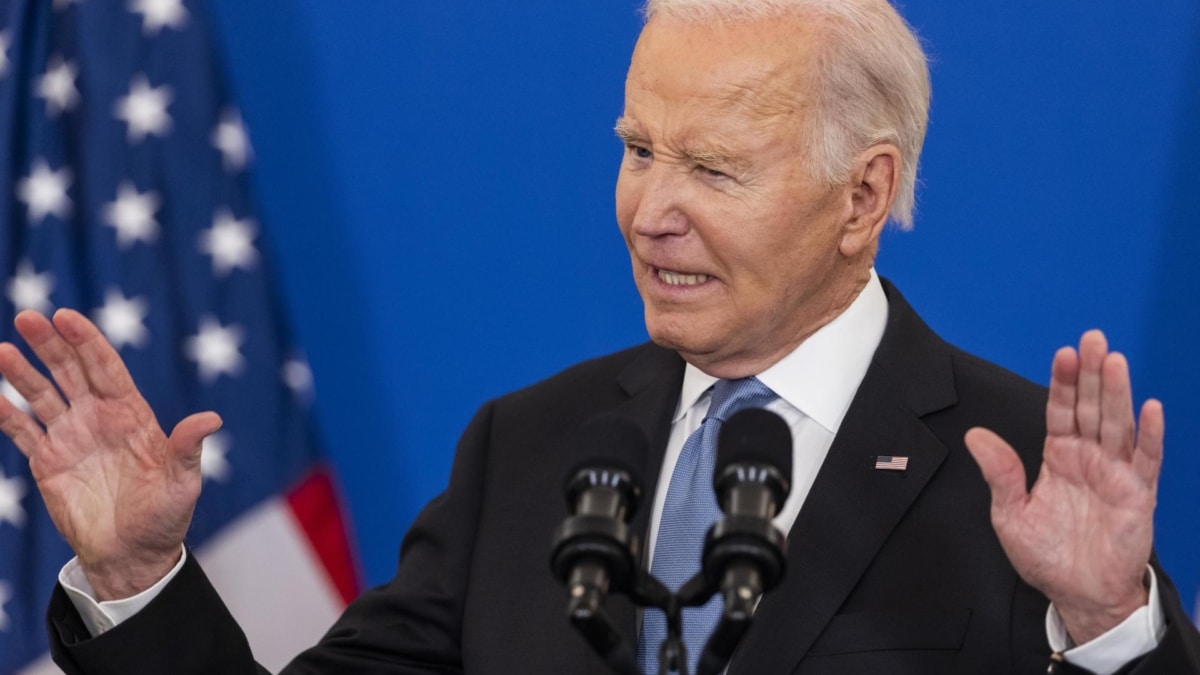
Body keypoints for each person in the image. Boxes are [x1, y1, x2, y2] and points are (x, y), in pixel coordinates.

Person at [4, 0, 1199, 673]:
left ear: (863, 196)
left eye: (713, 168)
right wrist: (136, 576)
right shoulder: (525, 451)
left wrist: (1109, 630)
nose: (648, 211)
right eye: (637, 150)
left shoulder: (1017, 474)